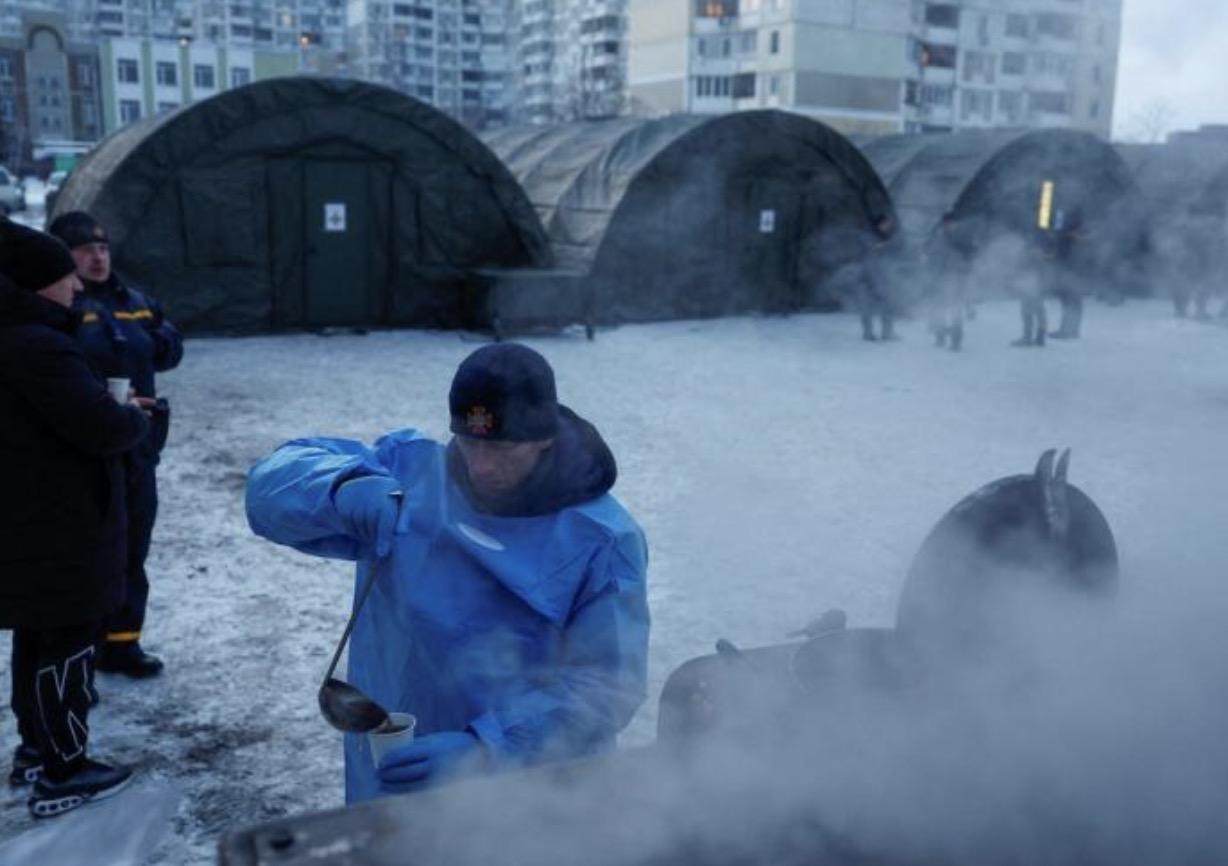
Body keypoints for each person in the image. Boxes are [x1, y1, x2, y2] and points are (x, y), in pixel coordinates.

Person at [245, 343, 650, 803]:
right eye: (470, 440)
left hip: (523, 787)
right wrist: (340, 486)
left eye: (502, 447)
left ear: (545, 438)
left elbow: (607, 686)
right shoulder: (410, 474)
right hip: (391, 754)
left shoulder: (600, 539)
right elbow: (269, 483)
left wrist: (487, 747)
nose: (480, 465)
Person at [0, 219, 150, 817]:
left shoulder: (18, 337)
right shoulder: (37, 344)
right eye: (65, 278)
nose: (75, 289)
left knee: (38, 638)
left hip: (30, 518)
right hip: (59, 524)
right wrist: (133, 418)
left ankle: (36, 750)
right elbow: (102, 427)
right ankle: (65, 768)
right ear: (39, 285)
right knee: (66, 641)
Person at [48, 211, 183, 678]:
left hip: (137, 445)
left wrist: (157, 338)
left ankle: (123, 644)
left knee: (133, 545)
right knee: (91, 552)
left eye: (102, 247)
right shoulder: (61, 308)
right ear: (63, 257)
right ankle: (83, 651)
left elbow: (169, 345)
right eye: (84, 249)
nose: (97, 256)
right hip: (87, 451)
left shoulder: (134, 302)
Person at [925, 212, 969, 352]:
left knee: (956, 309)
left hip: (957, 275)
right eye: (947, 223)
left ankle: (956, 340)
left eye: (952, 223)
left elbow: (971, 253)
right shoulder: (938, 237)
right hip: (941, 275)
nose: (950, 225)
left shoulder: (962, 237)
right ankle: (940, 335)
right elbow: (932, 254)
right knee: (940, 307)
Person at [854, 215, 899, 342]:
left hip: (881, 278)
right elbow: (872, 254)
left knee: (888, 306)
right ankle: (868, 333)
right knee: (866, 308)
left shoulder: (887, 238)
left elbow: (889, 258)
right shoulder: (868, 237)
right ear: (879, 224)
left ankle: (887, 333)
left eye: (889, 224)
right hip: (866, 278)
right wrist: (885, 245)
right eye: (886, 224)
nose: (888, 226)